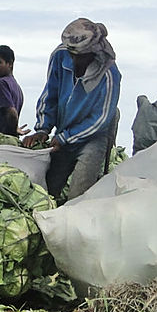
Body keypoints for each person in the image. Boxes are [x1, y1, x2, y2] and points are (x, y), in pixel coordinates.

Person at [22, 18, 121, 201]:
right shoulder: (60, 55)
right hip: (63, 132)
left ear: (92, 52)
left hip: (91, 137)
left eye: (80, 56)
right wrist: (43, 129)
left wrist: (67, 137)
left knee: (78, 195)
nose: (74, 60)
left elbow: (101, 118)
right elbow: (50, 92)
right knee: (47, 190)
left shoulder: (108, 74)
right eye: (72, 54)